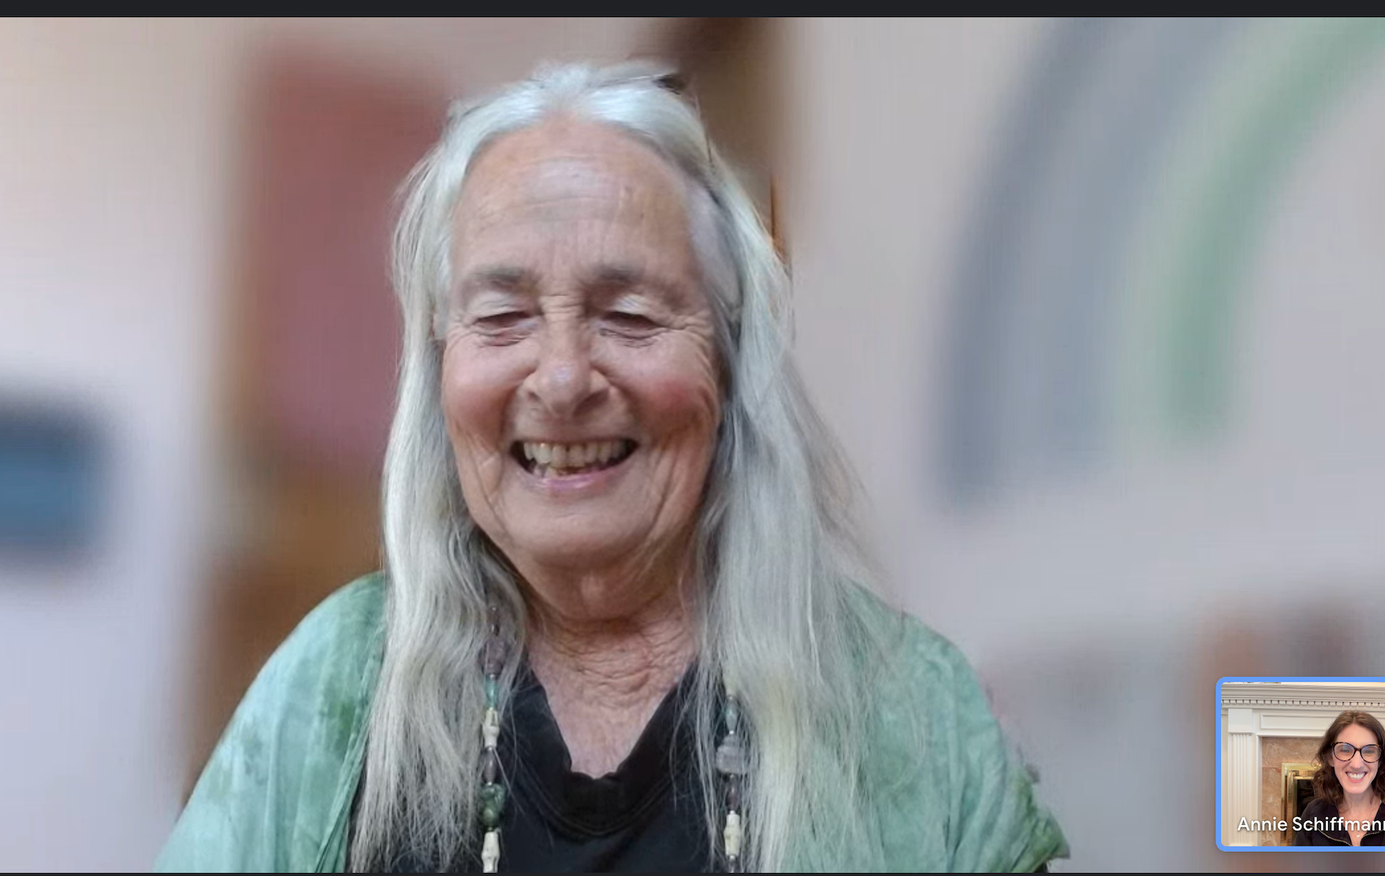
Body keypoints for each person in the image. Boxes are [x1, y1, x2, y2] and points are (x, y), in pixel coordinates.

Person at [155, 60, 1067, 872]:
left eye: (629, 314)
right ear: (440, 370)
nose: (559, 378)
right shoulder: (328, 696)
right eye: (502, 316)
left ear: (729, 363)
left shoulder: (918, 722)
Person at [1292, 710, 1385, 846]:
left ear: (1380, 759)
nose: (1356, 764)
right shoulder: (1314, 814)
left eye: (1369, 751)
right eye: (1344, 750)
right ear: (1330, 757)